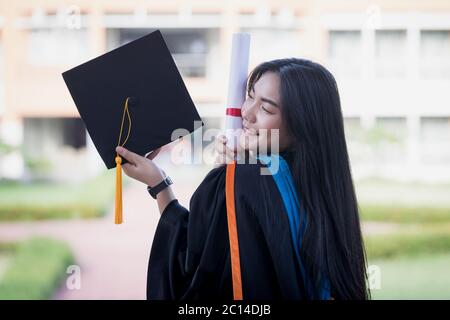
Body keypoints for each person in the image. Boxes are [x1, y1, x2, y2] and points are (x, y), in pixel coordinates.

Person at [115, 58, 370, 300]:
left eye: (266, 108)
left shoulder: (245, 178)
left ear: (302, 126)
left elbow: (194, 271)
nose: (247, 113)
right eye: (250, 97)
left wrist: (162, 184)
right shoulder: (323, 186)